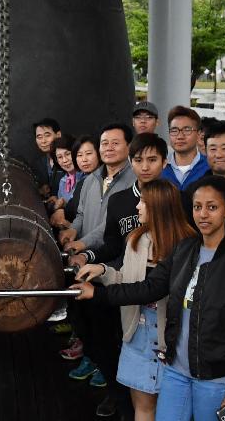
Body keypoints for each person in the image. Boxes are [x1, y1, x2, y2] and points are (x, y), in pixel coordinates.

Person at [73, 175, 225, 421]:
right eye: (198, 207)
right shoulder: (185, 250)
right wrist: (98, 291)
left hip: (215, 377)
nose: (203, 214)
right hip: (176, 372)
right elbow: (150, 288)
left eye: (212, 207)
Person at [75, 180, 195, 421]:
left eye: (143, 202)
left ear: (160, 207)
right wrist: (103, 271)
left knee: (175, 410)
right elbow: (128, 281)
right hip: (137, 333)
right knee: (142, 406)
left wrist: (96, 294)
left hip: (173, 338)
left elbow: (149, 290)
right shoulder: (135, 240)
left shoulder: (187, 245)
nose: (137, 207)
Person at [61, 123, 136, 419]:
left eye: (115, 143)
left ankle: (119, 396)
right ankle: (107, 378)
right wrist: (70, 233)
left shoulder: (132, 182)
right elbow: (80, 214)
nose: (108, 148)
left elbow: (109, 229)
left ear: (128, 147)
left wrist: (80, 244)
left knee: (114, 337)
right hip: (89, 265)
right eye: (104, 143)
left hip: (115, 269)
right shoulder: (92, 179)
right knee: (92, 332)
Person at [70, 132, 169, 267]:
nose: (145, 167)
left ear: (164, 162)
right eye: (138, 160)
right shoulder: (117, 201)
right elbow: (112, 246)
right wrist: (86, 256)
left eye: (152, 160)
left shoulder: (179, 200)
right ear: (131, 161)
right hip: (124, 278)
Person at [49, 135, 100, 231]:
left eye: (67, 154)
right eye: (59, 157)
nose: (65, 160)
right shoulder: (62, 182)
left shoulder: (88, 177)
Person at [162, 105, 210, 191]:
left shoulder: (210, 167)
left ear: (199, 134)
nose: (180, 136)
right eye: (174, 130)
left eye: (187, 130)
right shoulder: (160, 168)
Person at [30, 118, 63, 197]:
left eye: (47, 135)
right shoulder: (37, 164)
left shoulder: (68, 160)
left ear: (58, 135)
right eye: (39, 137)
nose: (43, 141)